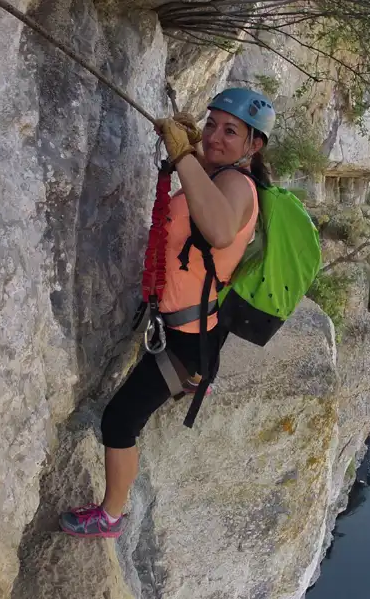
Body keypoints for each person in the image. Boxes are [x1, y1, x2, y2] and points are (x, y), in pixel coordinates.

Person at [59, 88, 276, 538]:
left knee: (119, 420)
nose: (216, 136)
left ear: (254, 146)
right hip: (196, 329)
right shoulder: (219, 173)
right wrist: (193, 149)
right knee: (157, 388)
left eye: (230, 131)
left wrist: (184, 157)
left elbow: (216, 229)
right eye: (211, 123)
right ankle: (197, 379)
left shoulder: (236, 184)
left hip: (187, 341)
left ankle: (111, 516)